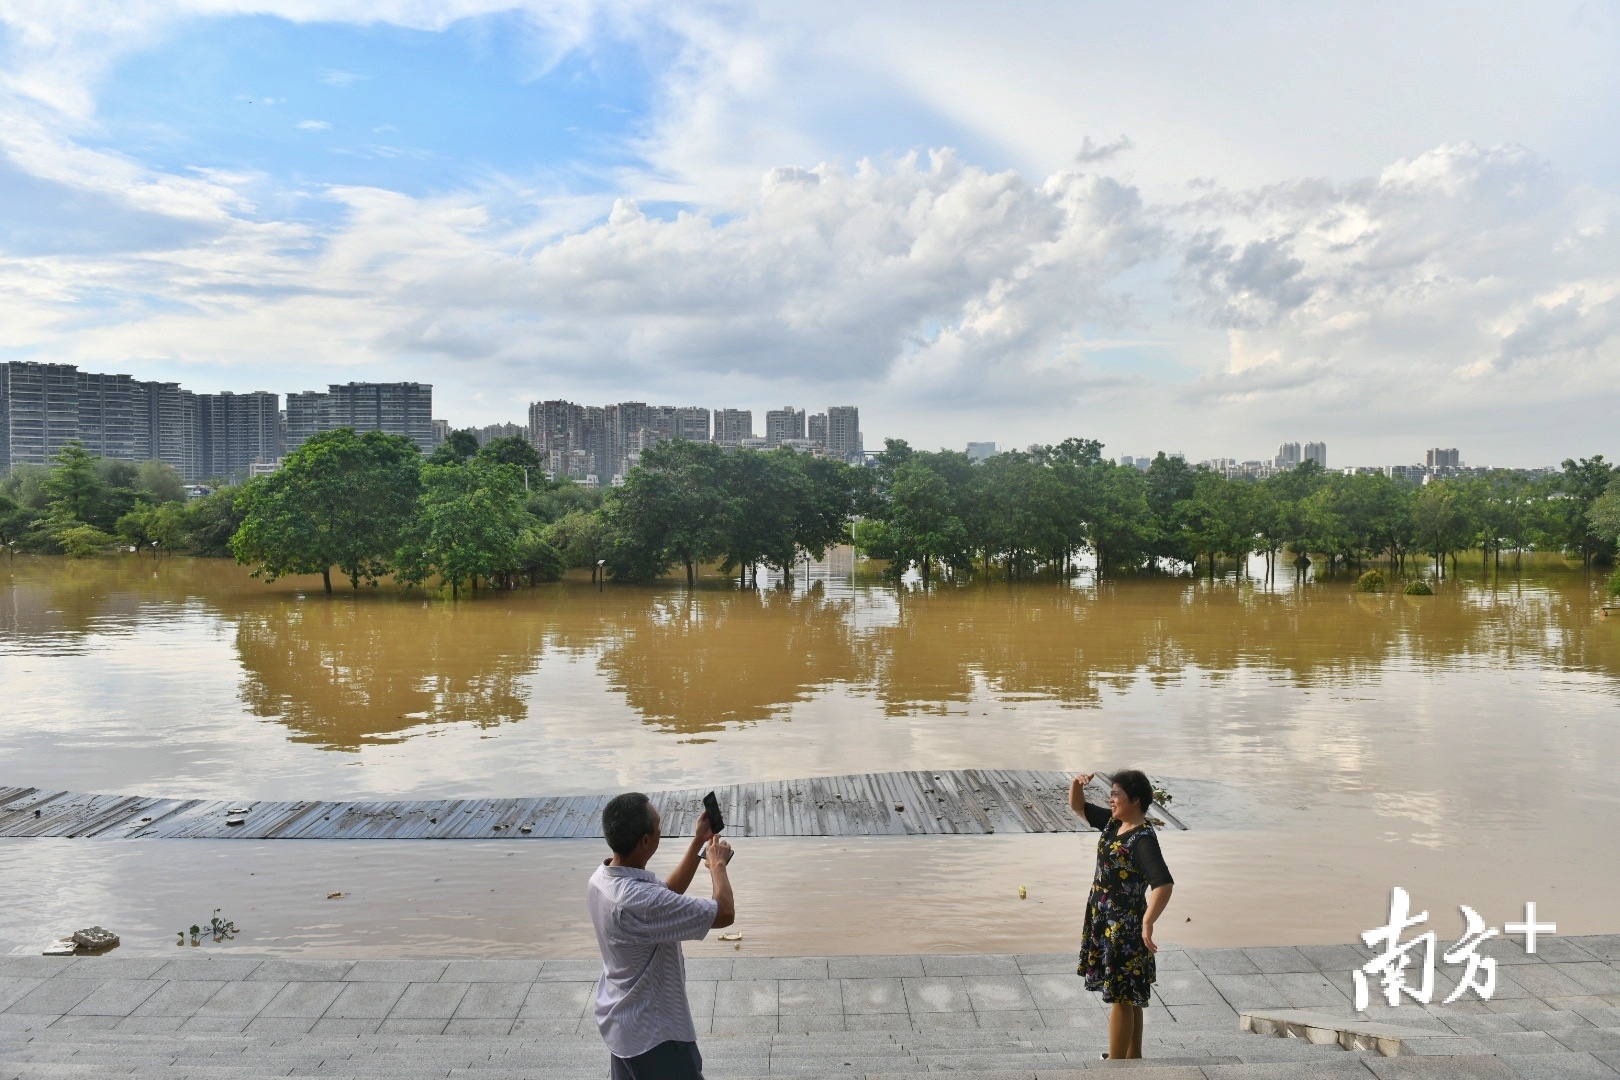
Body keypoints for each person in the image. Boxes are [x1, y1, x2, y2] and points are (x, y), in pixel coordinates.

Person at [587, 792, 735, 1080]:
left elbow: (665, 895)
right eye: (657, 824)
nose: (660, 829)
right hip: (656, 1037)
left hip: (622, 1025)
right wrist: (717, 864)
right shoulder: (640, 901)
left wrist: (698, 842)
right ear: (645, 840)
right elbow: (724, 913)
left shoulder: (604, 877)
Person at [1070, 769, 1174, 1061]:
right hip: (1106, 920)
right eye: (1111, 793)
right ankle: (1132, 1057)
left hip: (1123, 927)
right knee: (1130, 996)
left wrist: (1148, 922)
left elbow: (1163, 884)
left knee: (1119, 995)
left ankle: (1115, 1065)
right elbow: (1078, 807)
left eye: (1116, 794)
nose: (1111, 798)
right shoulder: (1113, 823)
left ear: (1136, 800)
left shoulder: (1142, 839)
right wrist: (1076, 785)